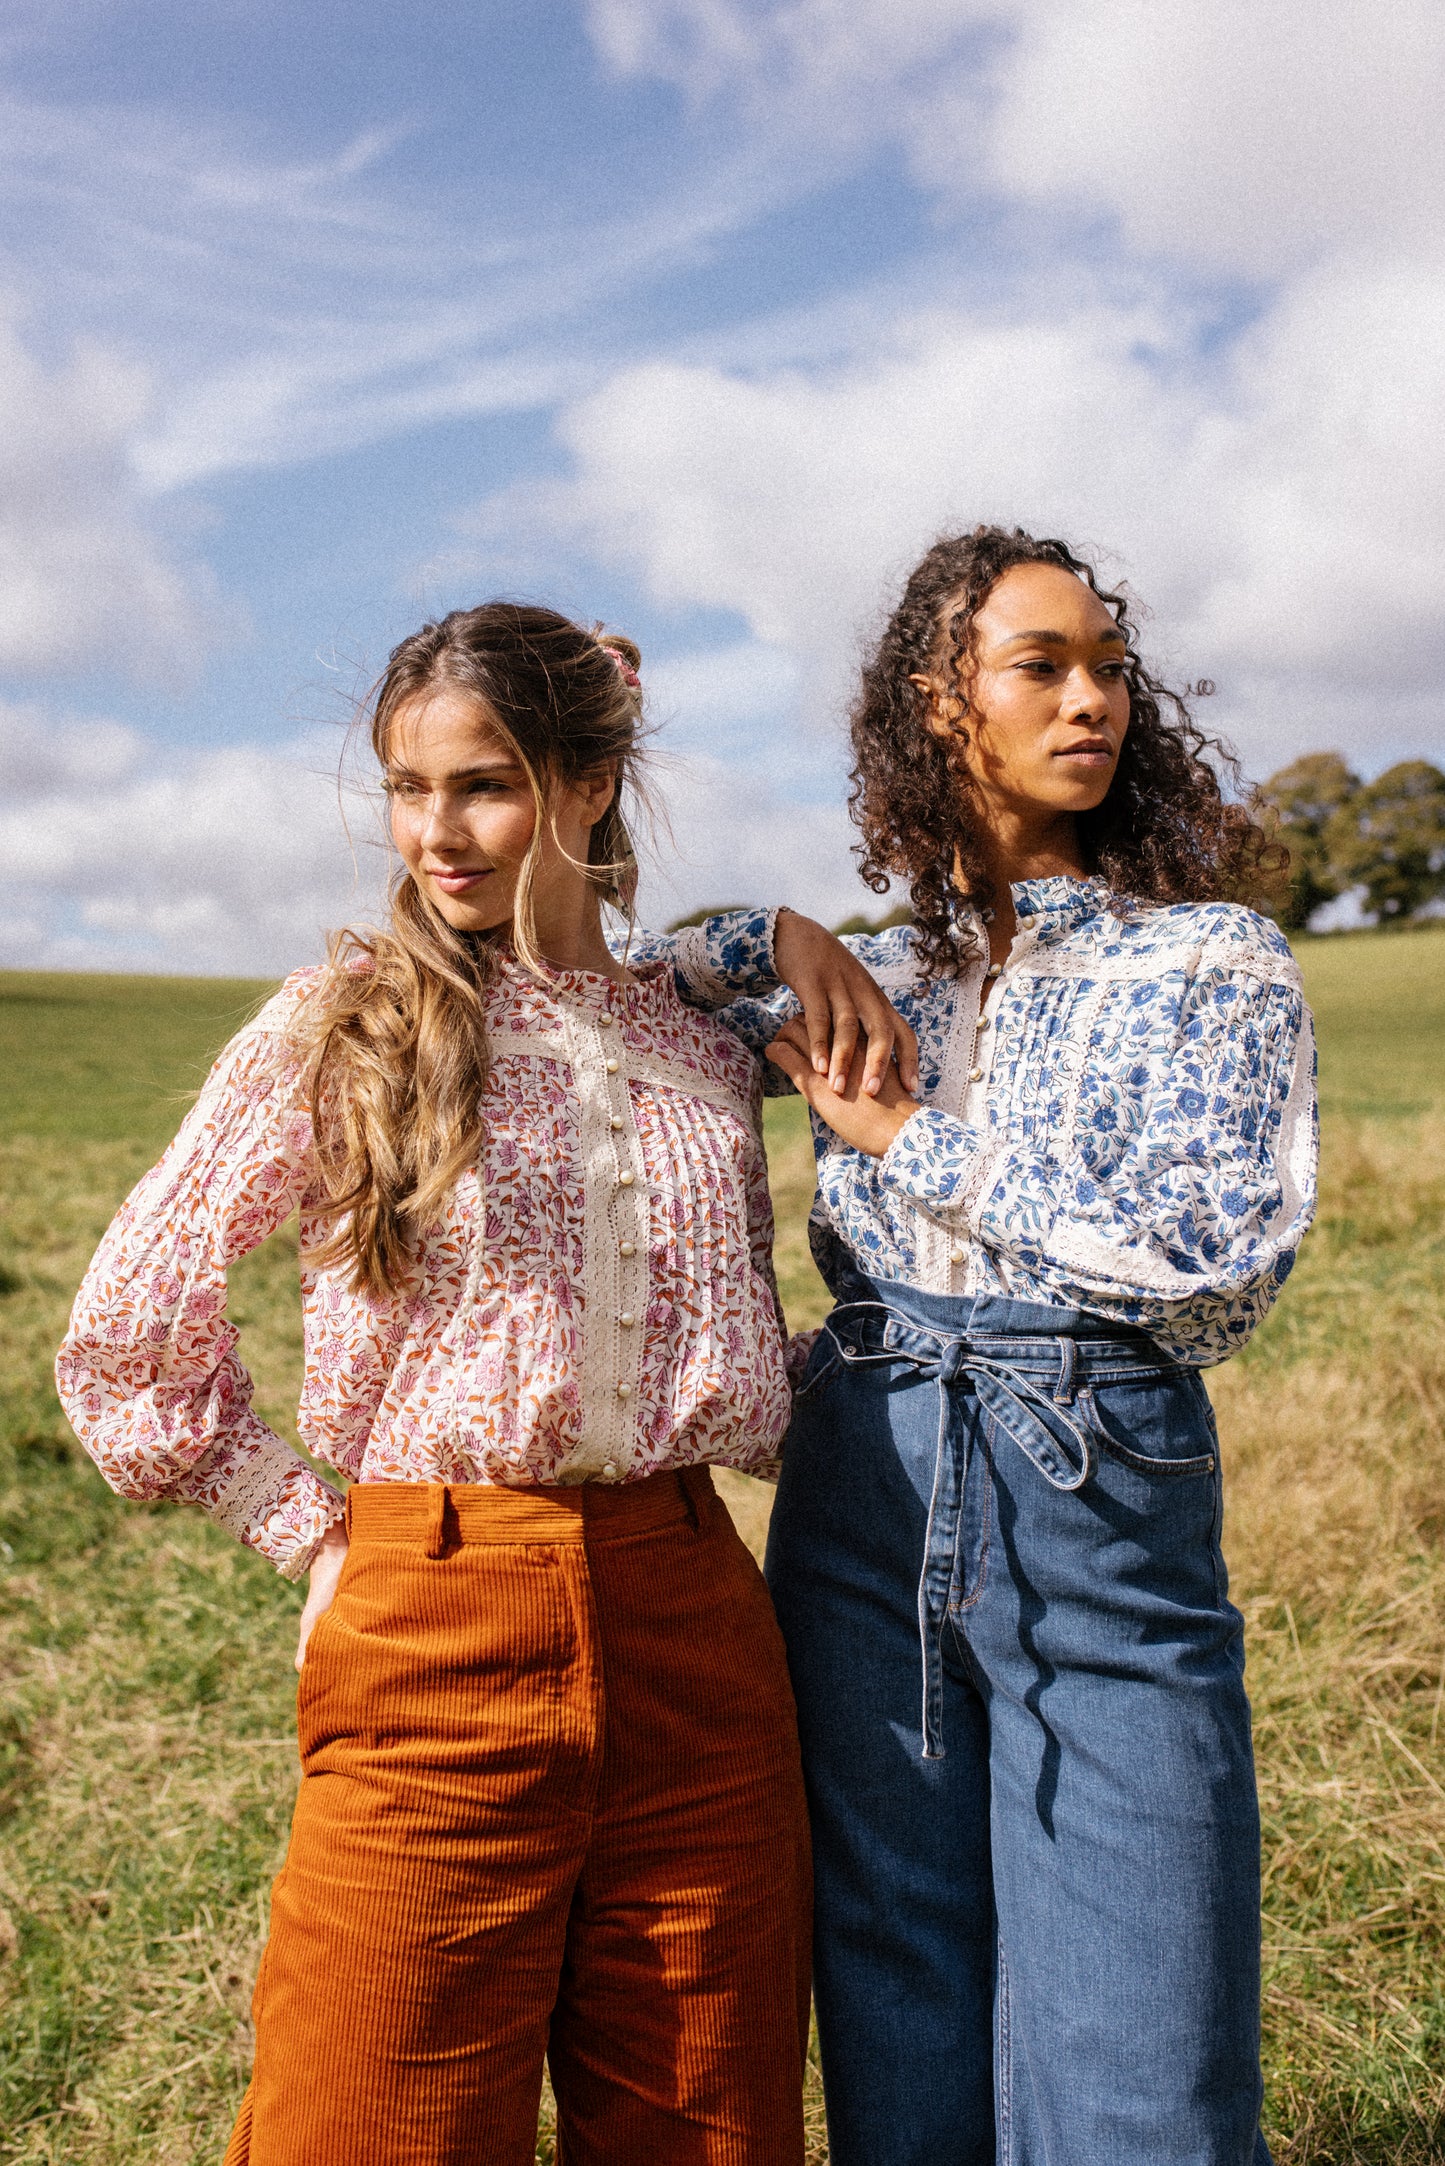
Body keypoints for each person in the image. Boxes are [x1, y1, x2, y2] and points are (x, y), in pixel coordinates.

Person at [55, 602, 908, 2166]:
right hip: (431, 1626)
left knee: (705, 2134)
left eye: (483, 783)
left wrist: (772, 928)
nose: (434, 831)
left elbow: (734, 1342)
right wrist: (308, 1533)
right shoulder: (347, 1021)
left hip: (698, 1632)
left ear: (590, 782)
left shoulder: (705, 1044)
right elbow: (128, 1328)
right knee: (366, 2130)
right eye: (405, 786)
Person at [636, 527, 1318, 2166]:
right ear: (940, 707)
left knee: (1141, 2028)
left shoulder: (1207, 958)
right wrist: (783, 934)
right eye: (1041, 665)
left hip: (1091, 1470)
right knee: (895, 1982)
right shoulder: (881, 976)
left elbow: (1209, 1265)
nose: (1091, 698)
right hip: (860, 1462)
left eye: (1106, 667)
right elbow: (620, 996)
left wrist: (904, 1145)